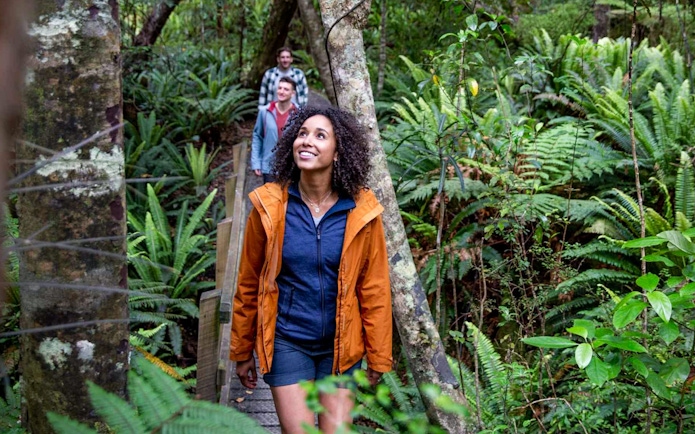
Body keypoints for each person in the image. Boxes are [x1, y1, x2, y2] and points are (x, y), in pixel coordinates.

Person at [231, 106, 393, 434]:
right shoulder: (269, 207)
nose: (308, 141)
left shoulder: (361, 210)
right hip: (288, 341)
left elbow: (374, 287)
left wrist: (379, 356)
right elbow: (249, 282)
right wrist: (241, 349)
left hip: (342, 346)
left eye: (320, 136)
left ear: (338, 152)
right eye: (302, 133)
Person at [251, 77, 298, 183]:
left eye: (286, 89)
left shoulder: (298, 114)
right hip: (269, 166)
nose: (281, 92)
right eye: (280, 88)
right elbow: (257, 137)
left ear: (293, 93)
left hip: (291, 167)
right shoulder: (265, 111)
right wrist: (256, 162)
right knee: (271, 198)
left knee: (289, 199)